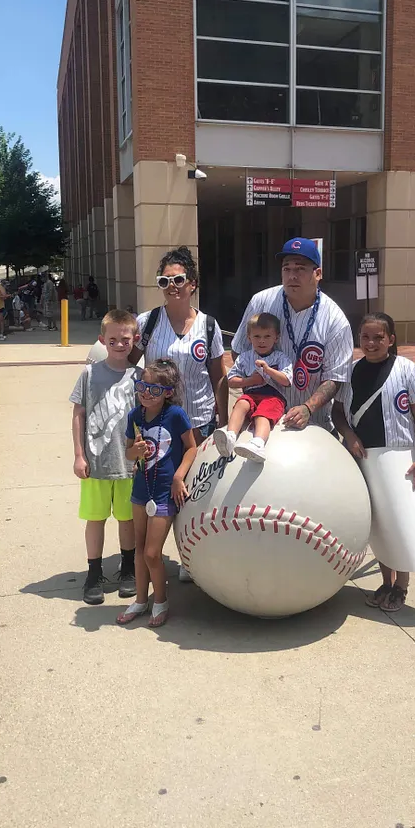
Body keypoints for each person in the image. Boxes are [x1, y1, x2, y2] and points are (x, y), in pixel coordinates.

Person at [128, 246, 228, 583]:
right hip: (157, 426)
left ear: (192, 284)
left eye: (179, 279)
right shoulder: (148, 322)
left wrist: (224, 421)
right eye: (164, 280)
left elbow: (219, 377)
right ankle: (147, 558)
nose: (172, 286)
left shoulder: (209, 327)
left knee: (193, 490)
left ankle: (189, 554)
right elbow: (128, 366)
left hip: (198, 423)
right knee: (160, 487)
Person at [332, 313, 415, 613]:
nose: (372, 343)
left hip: (399, 459)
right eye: (365, 337)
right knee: (378, 524)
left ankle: (401, 585)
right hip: (365, 460)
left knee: (399, 524)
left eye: (379, 337)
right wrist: (349, 435)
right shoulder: (351, 372)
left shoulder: (407, 370)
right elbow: (339, 413)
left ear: (391, 339)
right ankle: (386, 582)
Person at [231, 238, 354, 433]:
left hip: (313, 424)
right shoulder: (261, 302)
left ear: (318, 273)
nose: (292, 276)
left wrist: (308, 407)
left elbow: (335, 378)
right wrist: (254, 386)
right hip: (263, 420)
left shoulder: (335, 320)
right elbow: (240, 350)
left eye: (300, 269)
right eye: (286, 269)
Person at [116, 359, 197, 628]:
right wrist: (134, 453)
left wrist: (178, 477)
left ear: (168, 392)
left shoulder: (175, 415)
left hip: (164, 493)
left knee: (152, 553)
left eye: (153, 388)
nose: (145, 393)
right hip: (141, 490)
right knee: (139, 549)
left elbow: (191, 448)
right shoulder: (135, 416)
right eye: (142, 386)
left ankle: (160, 600)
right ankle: (141, 600)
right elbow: (129, 452)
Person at [70, 309, 140, 605]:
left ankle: (128, 568)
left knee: (127, 520)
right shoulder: (89, 374)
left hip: (128, 464)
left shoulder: (139, 378)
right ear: (103, 340)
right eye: (113, 340)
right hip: (96, 463)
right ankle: (94, 572)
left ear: (135, 340)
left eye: (125, 339)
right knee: (95, 519)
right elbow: (78, 413)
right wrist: (78, 455)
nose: (119, 345)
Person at [214, 312, 293, 462]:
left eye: (267, 336)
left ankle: (258, 443)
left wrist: (268, 370)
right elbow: (231, 380)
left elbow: (287, 380)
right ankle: (230, 435)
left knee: (263, 414)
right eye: (257, 336)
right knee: (241, 403)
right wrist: (250, 381)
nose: (262, 341)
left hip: (273, 396)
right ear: (249, 337)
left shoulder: (281, 357)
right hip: (250, 393)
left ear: (276, 338)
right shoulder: (244, 357)